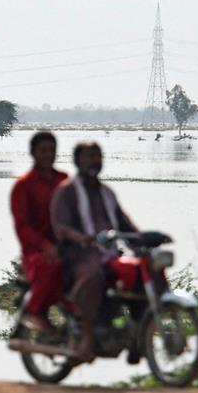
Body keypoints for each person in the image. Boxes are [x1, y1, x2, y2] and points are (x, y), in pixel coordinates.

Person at [51, 141, 139, 361]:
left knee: (139, 272)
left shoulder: (106, 192)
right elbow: (60, 226)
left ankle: (138, 334)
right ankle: (87, 338)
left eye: (98, 156)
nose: (95, 161)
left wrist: (144, 240)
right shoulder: (67, 191)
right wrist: (80, 237)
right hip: (77, 255)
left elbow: (124, 223)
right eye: (89, 156)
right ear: (78, 160)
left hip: (107, 254)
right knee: (94, 275)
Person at [10, 131, 68, 334]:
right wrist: (45, 245)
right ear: (33, 153)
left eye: (52, 150)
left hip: (66, 244)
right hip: (36, 251)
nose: (48, 155)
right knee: (50, 266)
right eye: (43, 150)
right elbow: (22, 227)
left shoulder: (64, 180)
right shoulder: (23, 185)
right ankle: (34, 312)